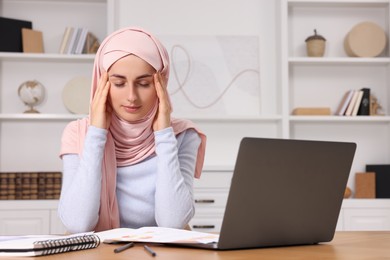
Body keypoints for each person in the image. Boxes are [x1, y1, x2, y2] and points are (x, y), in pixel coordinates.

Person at [58, 27, 206, 233]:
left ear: (160, 84)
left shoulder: (183, 135)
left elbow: (172, 222)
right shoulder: (78, 133)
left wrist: (164, 134)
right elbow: (77, 222)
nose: (131, 97)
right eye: (119, 83)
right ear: (102, 83)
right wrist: (96, 133)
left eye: (144, 84)